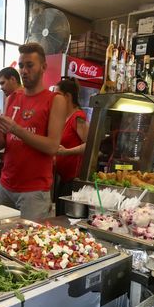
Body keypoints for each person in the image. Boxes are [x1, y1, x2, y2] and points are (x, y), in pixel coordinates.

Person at [0, 42, 67, 220]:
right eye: (22, 65)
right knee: (0, 242)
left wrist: (15, 129)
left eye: (30, 65)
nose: (24, 71)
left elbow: (53, 146)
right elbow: (1, 145)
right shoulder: (12, 98)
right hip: (6, 186)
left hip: (34, 192)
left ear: (43, 67)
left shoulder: (55, 100)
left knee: (29, 246)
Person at [54, 78, 89, 216]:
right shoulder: (65, 117)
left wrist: (67, 152)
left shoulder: (77, 117)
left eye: (58, 95)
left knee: (67, 217)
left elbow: (90, 145)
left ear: (67, 96)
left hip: (73, 181)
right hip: (63, 178)